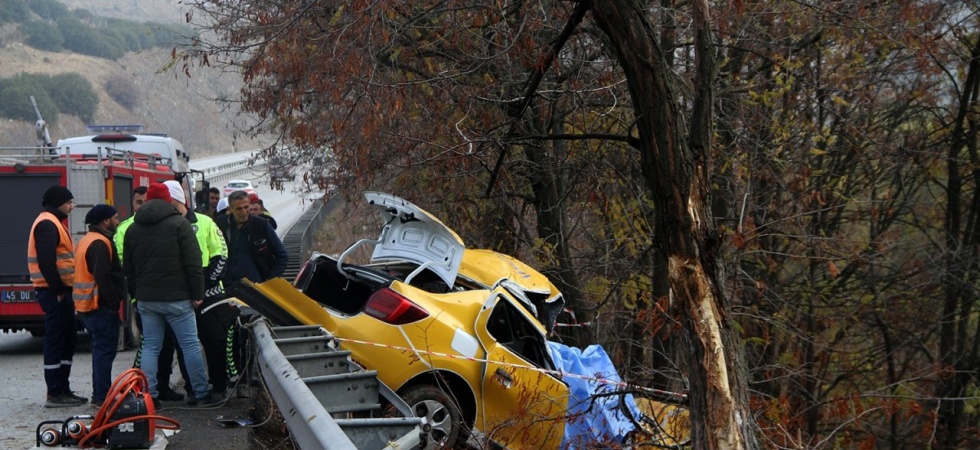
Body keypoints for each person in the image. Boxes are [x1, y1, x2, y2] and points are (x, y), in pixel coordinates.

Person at [123, 182, 220, 407]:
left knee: (150, 347)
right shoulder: (180, 225)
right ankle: (201, 393)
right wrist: (197, 293)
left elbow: (128, 269)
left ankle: (149, 396)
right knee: (190, 345)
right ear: (169, 200)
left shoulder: (133, 229)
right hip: (178, 299)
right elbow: (193, 263)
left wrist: (138, 294)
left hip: (148, 300)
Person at [165, 180, 239, 396]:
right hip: (181, 296)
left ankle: (219, 385)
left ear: (179, 200)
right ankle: (192, 389)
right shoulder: (166, 226)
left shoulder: (205, 222)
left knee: (215, 342)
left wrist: (204, 285)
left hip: (211, 295)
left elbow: (221, 254)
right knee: (184, 347)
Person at [29, 185, 86, 407]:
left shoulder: (53, 222)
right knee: (55, 341)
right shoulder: (47, 223)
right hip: (54, 292)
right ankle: (55, 392)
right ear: (59, 203)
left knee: (67, 340)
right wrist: (59, 290)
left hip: (59, 291)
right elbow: (46, 261)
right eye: (69, 202)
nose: (72, 207)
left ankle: (63, 388)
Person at [73, 204, 125, 407]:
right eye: (115, 217)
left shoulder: (86, 240)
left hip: (87, 305)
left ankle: (100, 394)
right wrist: (113, 303)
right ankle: (102, 396)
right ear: (105, 221)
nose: (117, 221)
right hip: (100, 307)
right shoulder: (101, 243)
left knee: (100, 351)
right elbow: (103, 276)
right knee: (105, 352)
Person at [217, 190, 288, 285]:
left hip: (256, 287)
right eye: (239, 209)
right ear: (230, 209)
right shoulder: (221, 224)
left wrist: (269, 281)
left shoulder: (261, 225)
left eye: (246, 207)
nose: (244, 212)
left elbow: (283, 256)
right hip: (227, 286)